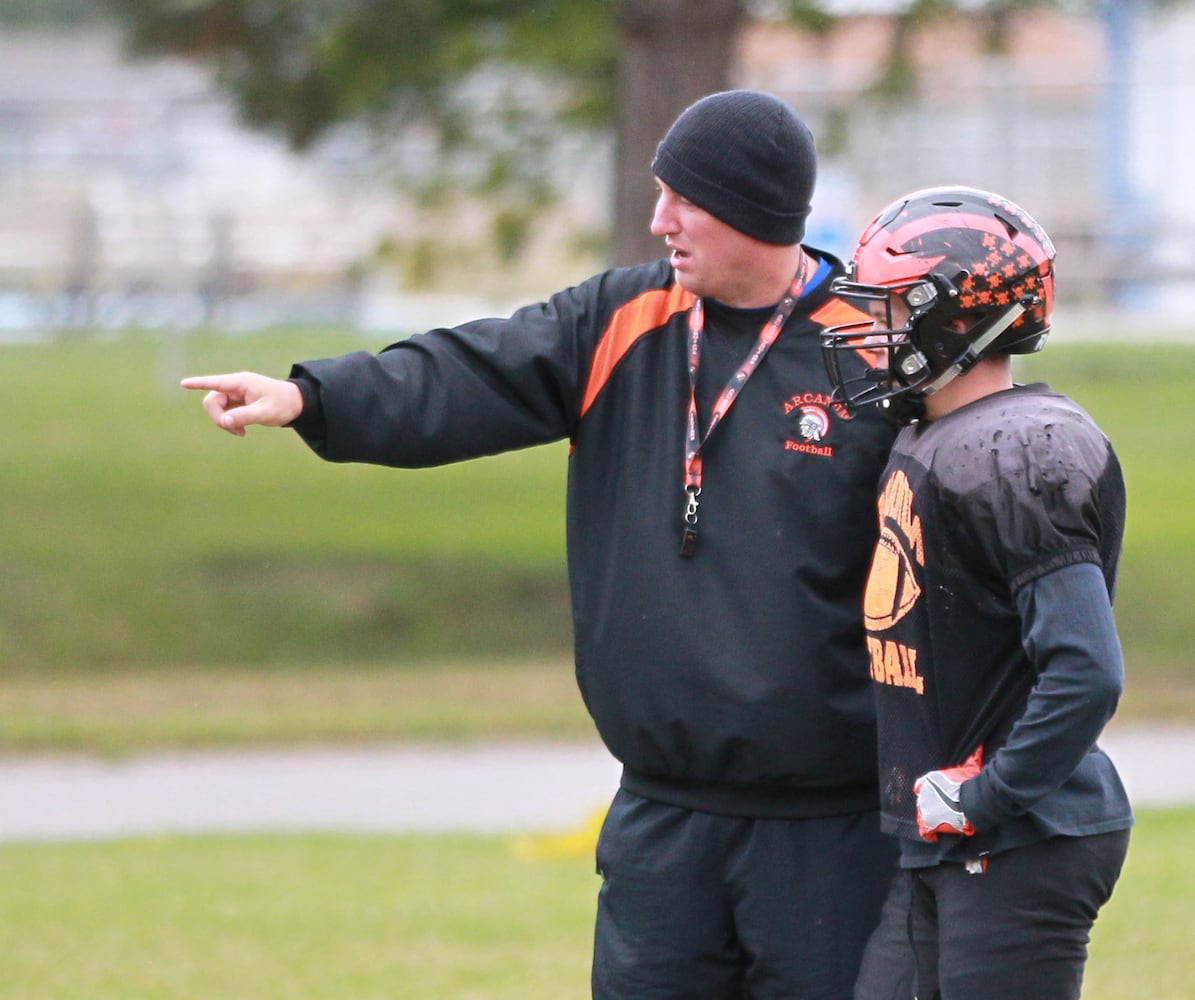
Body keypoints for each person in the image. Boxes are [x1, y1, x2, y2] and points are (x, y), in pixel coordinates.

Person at [183, 90, 899, 999]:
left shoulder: (873, 354)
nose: (658, 219)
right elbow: (466, 372)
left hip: (829, 838)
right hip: (661, 823)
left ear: (755, 210)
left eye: (685, 199)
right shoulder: (621, 318)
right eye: (659, 193)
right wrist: (313, 398)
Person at [820, 186, 1134, 1000]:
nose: (864, 331)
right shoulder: (931, 432)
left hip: (1018, 835)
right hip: (950, 838)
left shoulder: (1020, 450)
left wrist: (987, 794)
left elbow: (1085, 670)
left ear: (951, 321)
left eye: (887, 307)